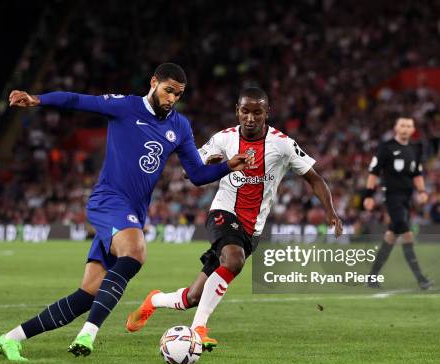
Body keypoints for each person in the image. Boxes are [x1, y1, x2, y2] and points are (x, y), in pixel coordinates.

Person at [0, 63, 252, 361]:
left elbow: (195, 174)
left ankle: (10, 339)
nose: (172, 99)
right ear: (153, 83)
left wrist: (226, 167)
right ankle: (88, 334)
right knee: (136, 252)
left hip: (132, 213)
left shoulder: (179, 126)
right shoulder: (125, 107)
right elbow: (78, 100)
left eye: (178, 94)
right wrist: (39, 99)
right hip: (108, 201)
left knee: (86, 295)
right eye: (168, 90)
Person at [126, 87, 343, 350]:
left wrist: (330, 211)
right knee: (234, 259)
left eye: (257, 112)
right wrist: (213, 165)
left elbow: (314, 178)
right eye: (245, 111)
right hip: (223, 212)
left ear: (267, 113)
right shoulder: (223, 139)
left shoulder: (282, 144)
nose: (250, 118)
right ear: (237, 111)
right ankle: (198, 330)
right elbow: (189, 173)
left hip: (252, 229)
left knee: (192, 297)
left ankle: (154, 300)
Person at [363, 117, 433, 290]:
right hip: (392, 196)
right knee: (406, 232)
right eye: (402, 125)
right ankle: (421, 279)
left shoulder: (416, 148)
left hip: (406, 198)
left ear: (413, 129)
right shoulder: (386, 147)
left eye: (409, 126)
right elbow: (374, 172)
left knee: (392, 236)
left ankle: (372, 277)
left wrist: (422, 191)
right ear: (395, 128)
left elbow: (417, 173)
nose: (405, 128)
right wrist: (369, 195)